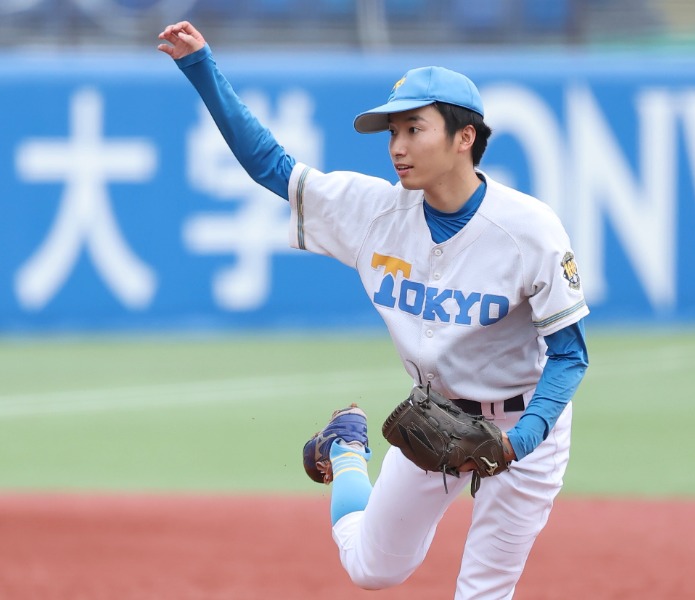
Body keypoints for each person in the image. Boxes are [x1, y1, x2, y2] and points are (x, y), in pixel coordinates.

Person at [158, 21, 589, 599]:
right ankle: (346, 448)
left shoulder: (529, 230)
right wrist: (201, 67)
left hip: (523, 425)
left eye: (415, 128)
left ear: (465, 137)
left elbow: (569, 355)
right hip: (432, 419)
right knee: (372, 570)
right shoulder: (374, 212)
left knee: (483, 592)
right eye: (392, 131)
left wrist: (522, 440)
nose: (397, 146)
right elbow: (272, 167)